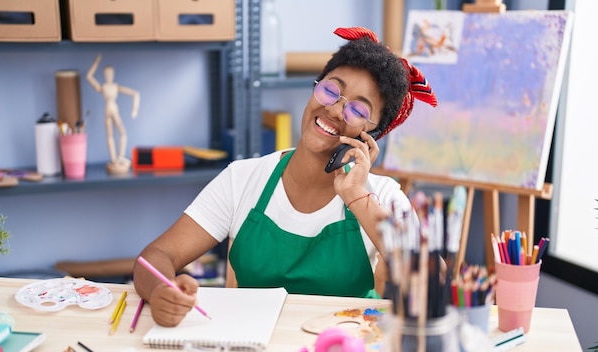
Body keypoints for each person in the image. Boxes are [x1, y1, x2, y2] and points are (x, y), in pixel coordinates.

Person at [133, 27, 437, 327]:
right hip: (252, 351)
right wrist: (162, 291)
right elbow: (155, 256)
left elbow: (431, 283)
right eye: (331, 90)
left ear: (371, 134)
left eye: (357, 109)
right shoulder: (242, 179)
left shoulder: (381, 196)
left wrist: (357, 197)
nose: (334, 110)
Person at [86, 54, 141, 175]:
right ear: (104, 75)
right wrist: (96, 62)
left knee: (122, 133)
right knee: (110, 135)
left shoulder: (116, 87)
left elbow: (135, 93)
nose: (109, 76)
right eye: (106, 73)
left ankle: (120, 156)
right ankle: (114, 159)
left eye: (111, 73)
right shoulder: (103, 87)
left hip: (113, 109)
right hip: (109, 110)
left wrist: (135, 109)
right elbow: (89, 77)